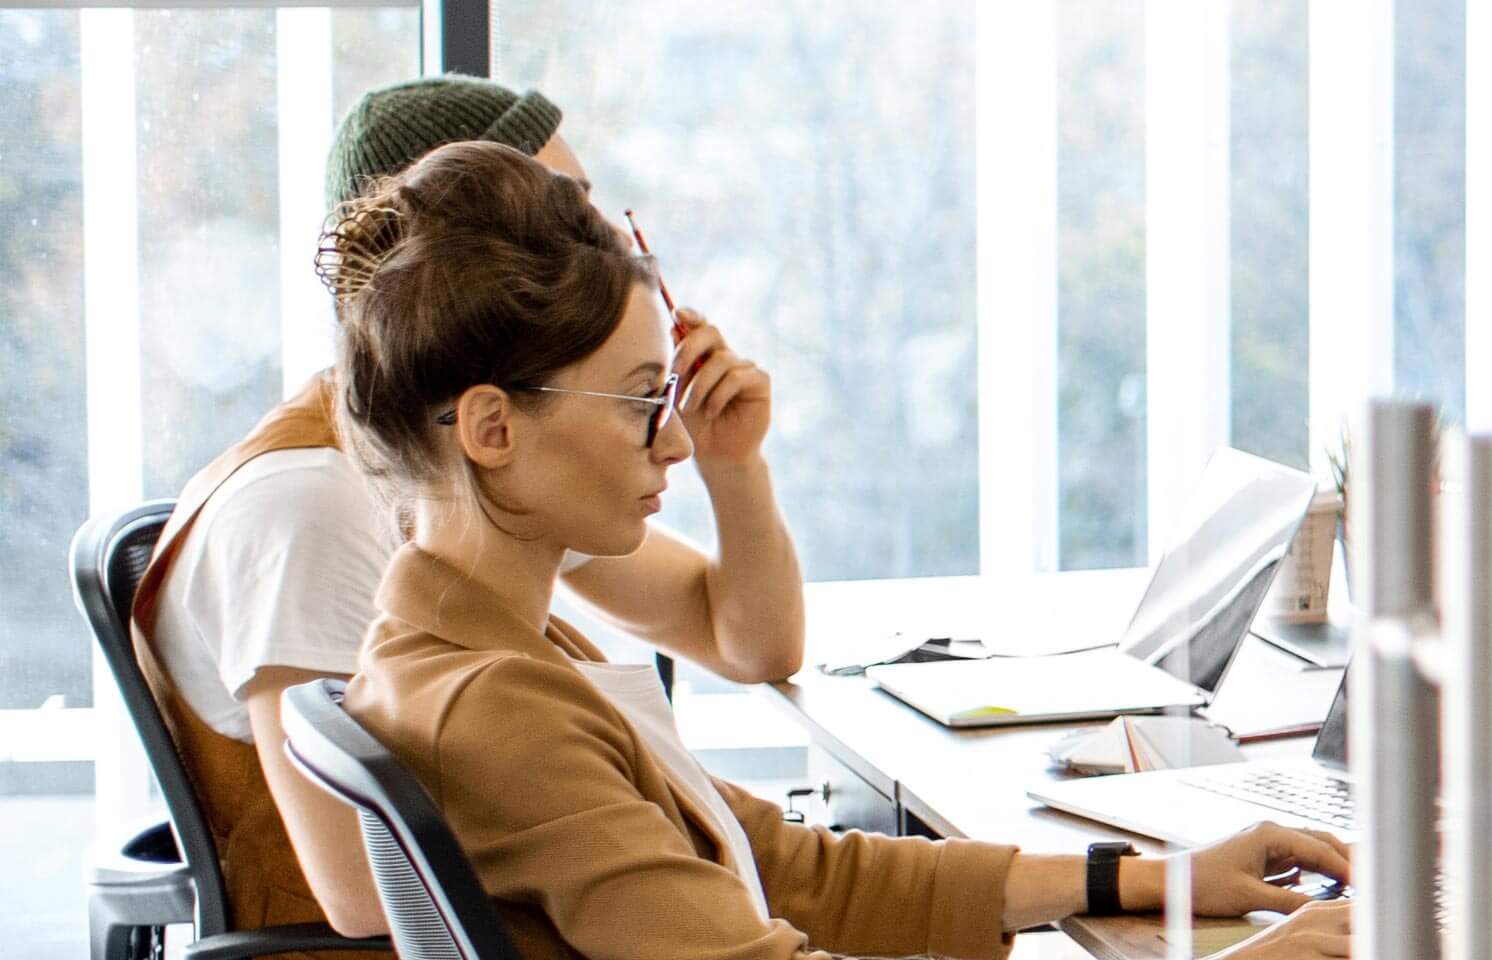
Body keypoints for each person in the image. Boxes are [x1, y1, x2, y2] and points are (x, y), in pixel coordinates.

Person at [306, 139, 1353, 959]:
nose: (670, 437)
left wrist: (1149, 882)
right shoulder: (497, 708)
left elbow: (788, 868)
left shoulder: (475, 641)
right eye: (636, 403)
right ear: (492, 430)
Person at [119, 74, 807, 943]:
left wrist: (731, 463)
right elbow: (364, 892)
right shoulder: (316, 505)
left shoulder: (487, 472)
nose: (606, 257)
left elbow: (752, 643)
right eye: (566, 221)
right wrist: (598, 819)